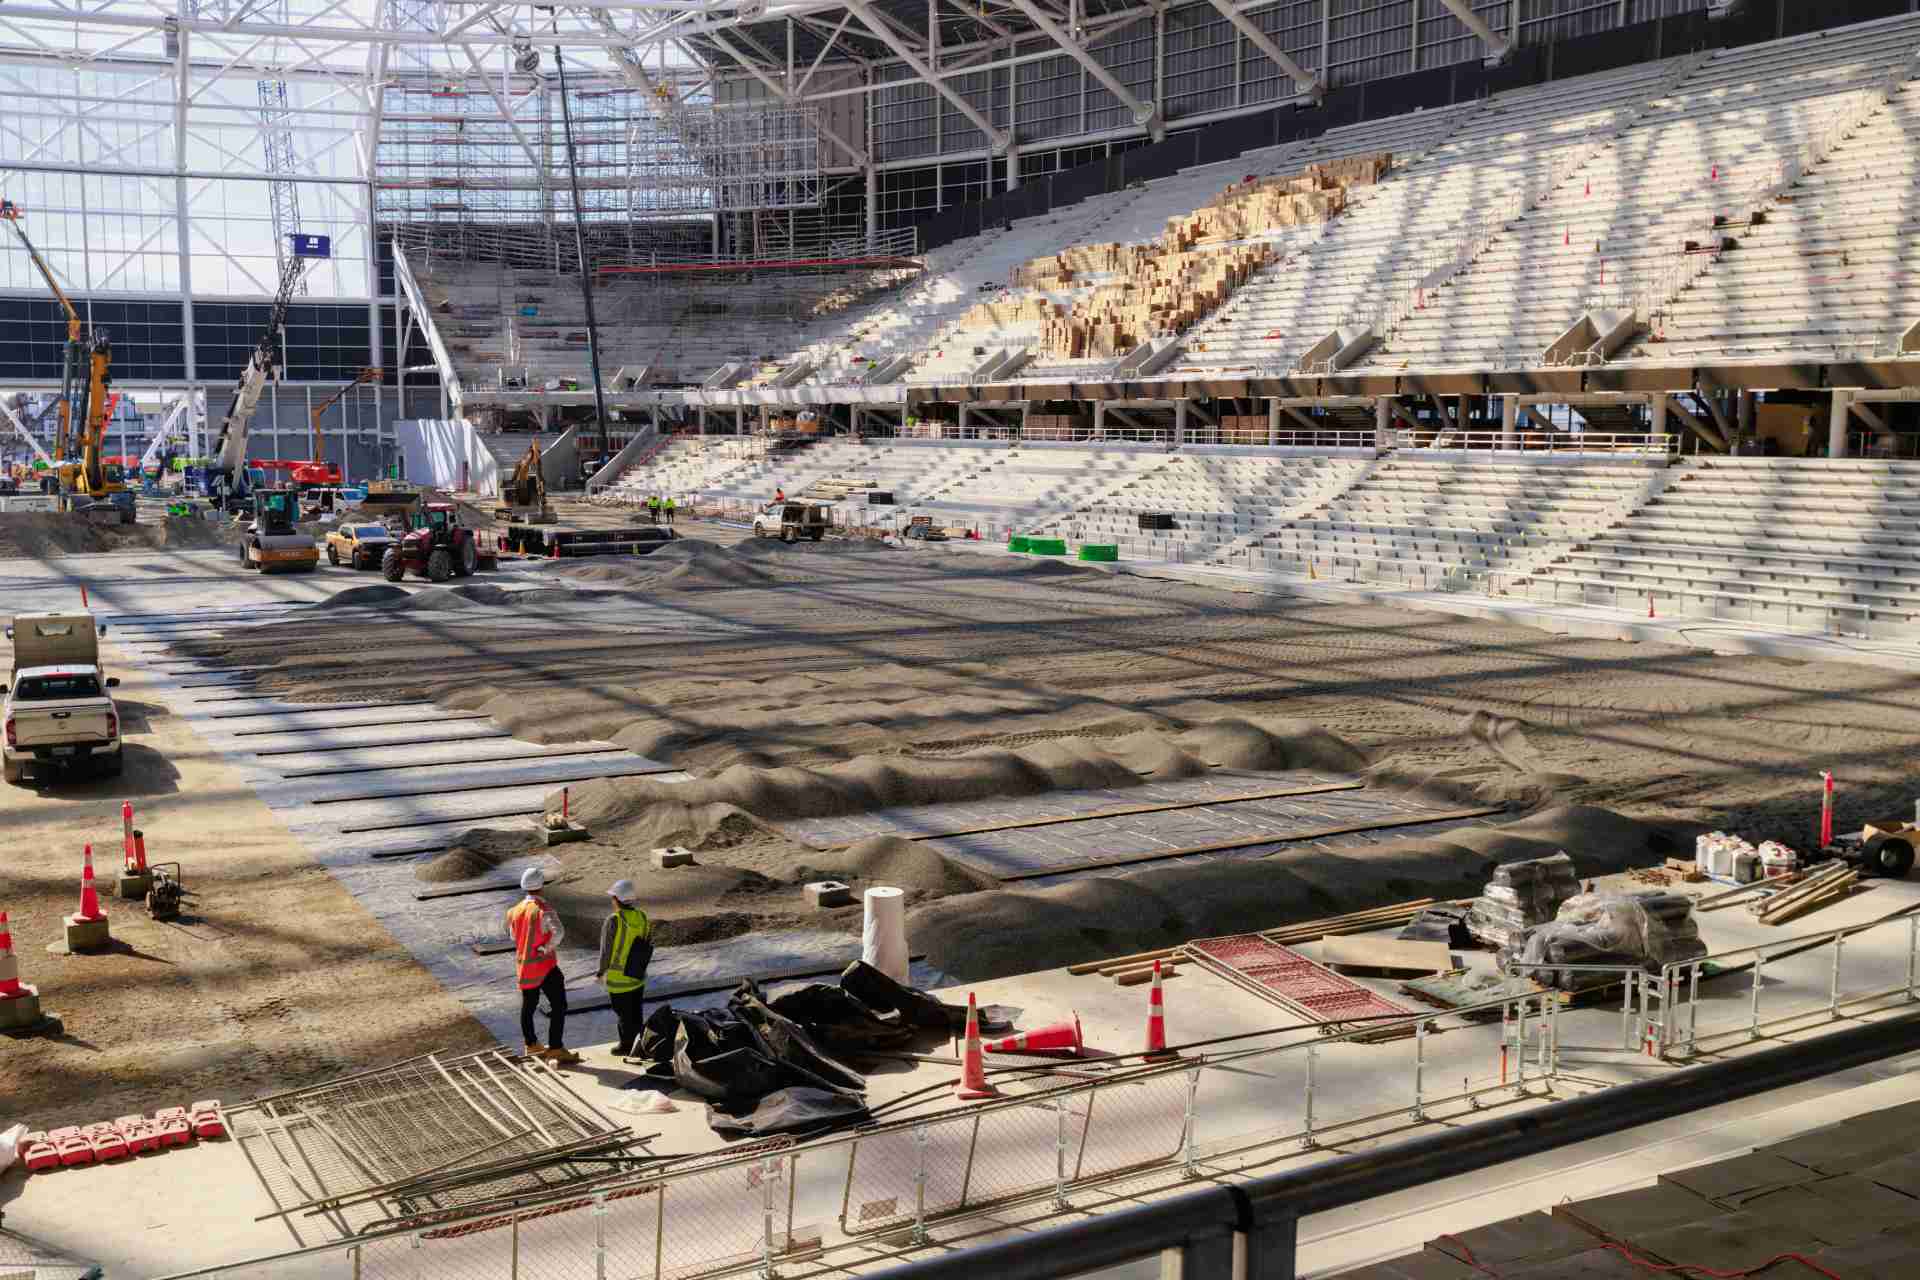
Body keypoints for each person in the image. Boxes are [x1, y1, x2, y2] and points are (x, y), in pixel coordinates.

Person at [506, 867, 580, 1064]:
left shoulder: (514, 911)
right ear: (542, 887)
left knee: (528, 1006)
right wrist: (545, 948)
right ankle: (556, 1047)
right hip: (544, 966)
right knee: (559, 1005)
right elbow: (559, 933)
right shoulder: (544, 911)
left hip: (524, 967)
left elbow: (513, 936)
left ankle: (531, 1044)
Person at [595, 879, 653, 1058]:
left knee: (623, 1014)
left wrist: (600, 972)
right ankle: (640, 1043)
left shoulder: (614, 920)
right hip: (637, 975)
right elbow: (646, 942)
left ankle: (627, 1045)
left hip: (618, 978)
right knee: (636, 1012)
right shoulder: (642, 916)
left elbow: (606, 950)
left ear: (616, 899)